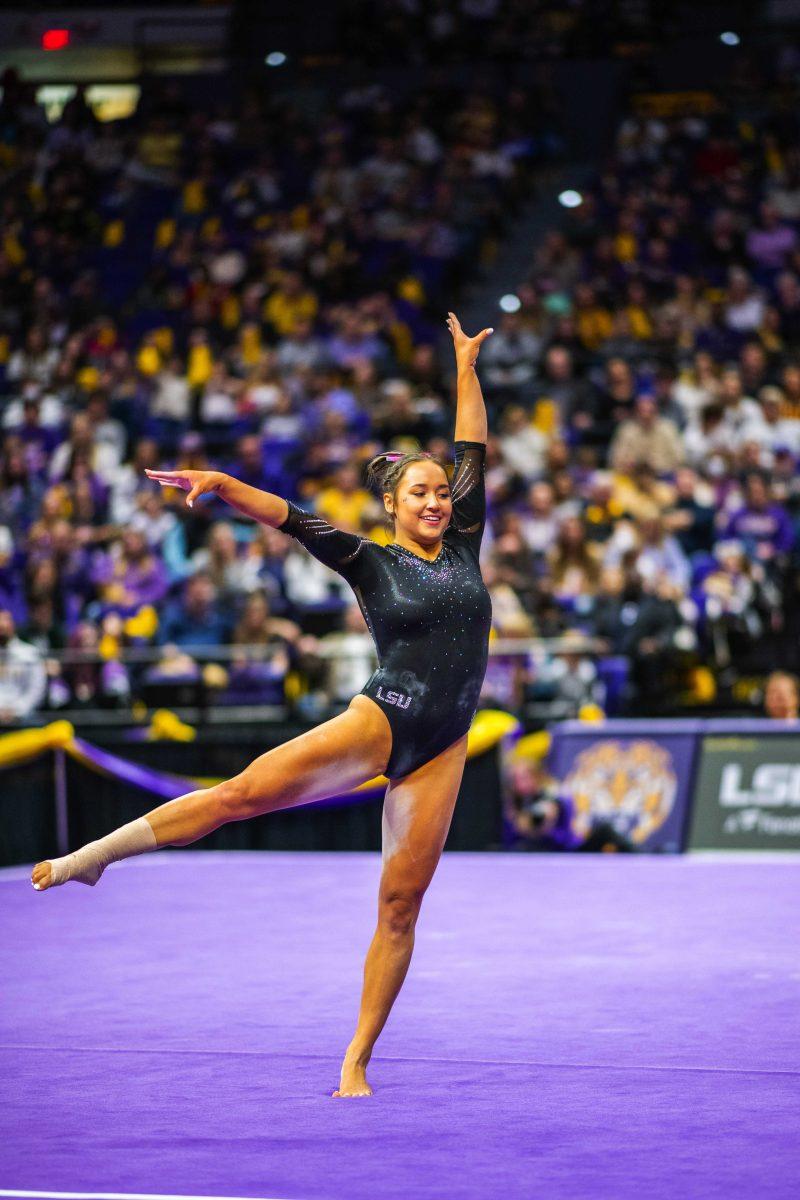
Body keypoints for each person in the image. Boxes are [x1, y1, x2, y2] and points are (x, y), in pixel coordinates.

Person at [31, 312, 495, 1101]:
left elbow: (471, 447)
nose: (436, 502)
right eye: (419, 492)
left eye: (441, 493)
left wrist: (464, 368)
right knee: (242, 796)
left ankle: (355, 1061)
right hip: (380, 721)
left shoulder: (464, 543)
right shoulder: (370, 562)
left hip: (445, 745)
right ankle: (95, 858)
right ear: (391, 503)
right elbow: (290, 517)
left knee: (399, 908)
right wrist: (219, 485)